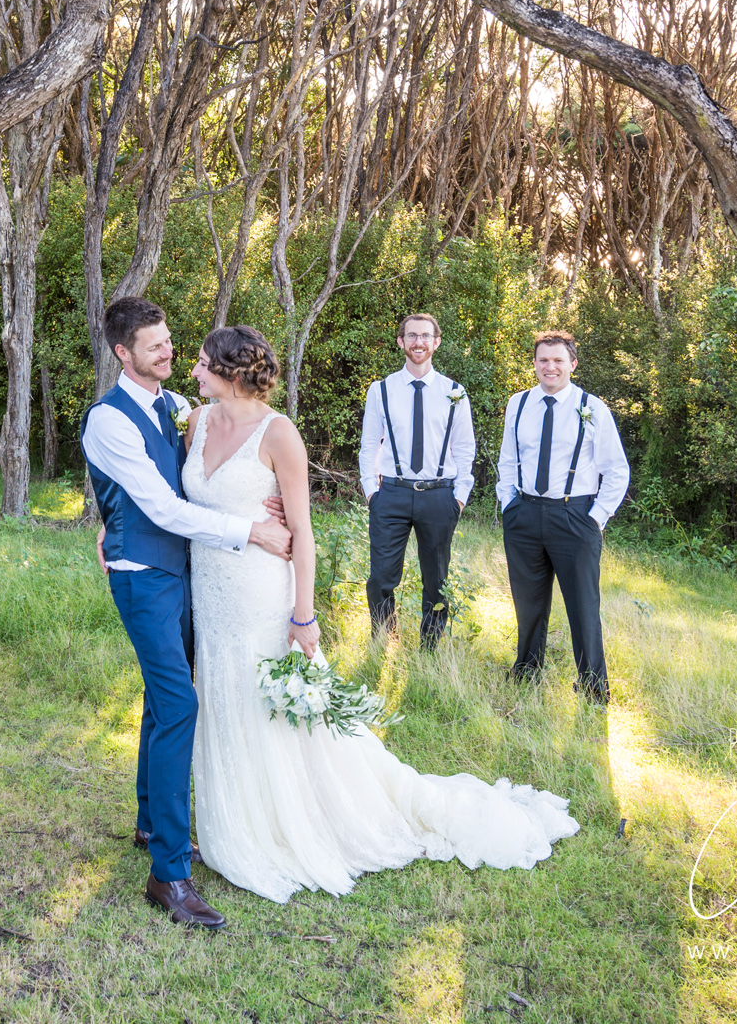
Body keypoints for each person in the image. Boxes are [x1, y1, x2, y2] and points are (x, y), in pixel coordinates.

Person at [185, 325, 579, 903]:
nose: (191, 370)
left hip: (261, 598)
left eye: (200, 362)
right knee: (221, 698)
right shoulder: (193, 421)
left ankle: (282, 822)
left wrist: (303, 615)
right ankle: (234, 811)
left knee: (270, 709)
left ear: (231, 371)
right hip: (209, 595)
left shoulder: (279, 434)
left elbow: (304, 533)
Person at [79, 298, 294, 930]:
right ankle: (169, 873)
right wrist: (250, 530)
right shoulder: (107, 421)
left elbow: (223, 438)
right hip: (144, 578)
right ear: (124, 353)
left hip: (190, 577)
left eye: (170, 342)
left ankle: (150, 825)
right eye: (154, 346)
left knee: (159, 700)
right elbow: (160, 510)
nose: (168, 353)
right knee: (179, 705)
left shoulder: (175, 407)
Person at [495, 330, 630, 700]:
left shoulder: (592, 407)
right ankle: (526, 670)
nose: (549, 367)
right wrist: (509, 504)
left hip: (575, 516)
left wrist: (596, 517)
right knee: (528, 602)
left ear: (572, 364)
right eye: (543, 360)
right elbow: (508, 459)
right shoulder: (518, 403)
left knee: (583, 605)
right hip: (524, 514)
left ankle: (592, 685)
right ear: (535, 364)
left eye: (557, 360)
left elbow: (616, 470)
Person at [358, 312, 476, 648]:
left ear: (436, 342)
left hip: (439, 496)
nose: (418, 342)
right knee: (381, 577)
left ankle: (430, 647)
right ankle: (385, 638)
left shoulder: (455, 392)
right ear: (401, 342)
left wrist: (460, 496)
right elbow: (368, 445)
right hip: (391, 494)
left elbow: (465, 448)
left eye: (425, 336)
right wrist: (371, 492)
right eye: (411, 336)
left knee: (436, 579)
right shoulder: (381, 390)